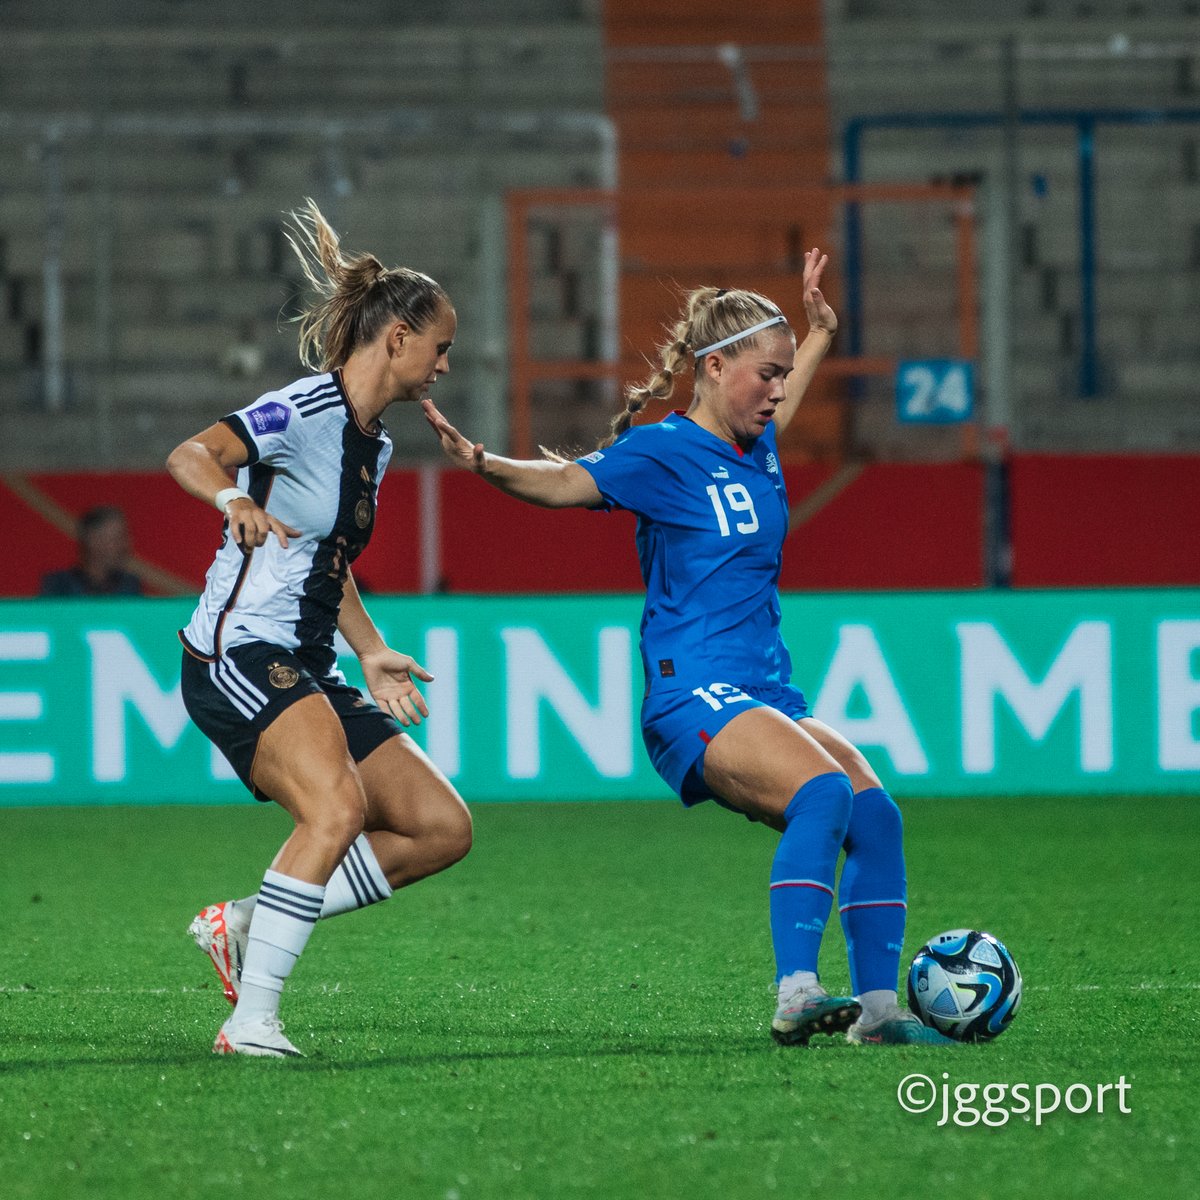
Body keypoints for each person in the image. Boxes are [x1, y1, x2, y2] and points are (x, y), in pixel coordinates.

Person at [424, 250, 950, 1047]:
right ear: (714, 367)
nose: (777, 392)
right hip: (691, 693)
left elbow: (790, 388)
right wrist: (481, 461)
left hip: (765, 692)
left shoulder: (757, 440)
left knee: (875, 813)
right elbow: (563, 485)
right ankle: (796, 991)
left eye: (782, 378)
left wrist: (818, 337)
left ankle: (879, 1016)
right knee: (822, 793)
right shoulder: (663, 452)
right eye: (763, 375)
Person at [167, 199, 471, 1057]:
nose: (446, 364)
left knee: (441, 828)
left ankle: (248, 922)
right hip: (238, 652)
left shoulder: (372, 445)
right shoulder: (301, 410)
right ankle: (251, 1021)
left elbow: (327, 565)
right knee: (335, 808)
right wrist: (231, 498)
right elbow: (192, 453)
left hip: (308, 661)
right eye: (441, 346)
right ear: (399, 336)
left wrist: (371, 650)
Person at [39, 506, 144, 597]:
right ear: (93, 541)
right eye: (117, 539)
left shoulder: (130, 586)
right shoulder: (59, 586)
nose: (125, 546)